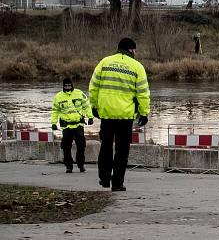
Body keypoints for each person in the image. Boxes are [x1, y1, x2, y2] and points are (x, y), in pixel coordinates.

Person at [89, 37, 150, 192]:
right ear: (131, 49)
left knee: (106, 146)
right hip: (125, 116)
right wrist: (144, 113)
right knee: (122, 151)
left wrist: (94, 106)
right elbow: (143, 93)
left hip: (107, 114)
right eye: (135, 50)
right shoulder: (137, 67)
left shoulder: (104, 62)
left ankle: (104, 178)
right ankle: (117, 183)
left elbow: (93, 86)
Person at [51, 77, 93, 173]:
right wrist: (53, 123)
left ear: (72, 85)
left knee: (81, 146)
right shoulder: (58, 97)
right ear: (63, 86)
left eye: (69, 85)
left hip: (78, 125)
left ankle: (81, 165)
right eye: (65, 86)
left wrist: (90, 117)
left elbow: (87, 105)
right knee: (66, 147)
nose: (67, 87)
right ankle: (68, 166)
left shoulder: (79, 93)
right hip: (66, 126)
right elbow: (55, 111)